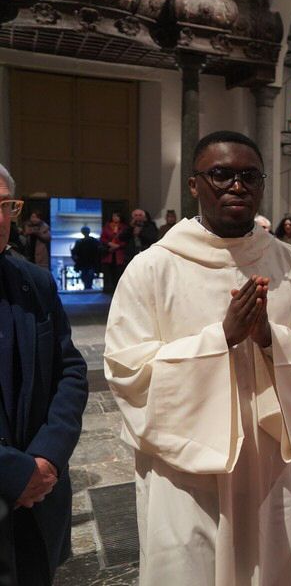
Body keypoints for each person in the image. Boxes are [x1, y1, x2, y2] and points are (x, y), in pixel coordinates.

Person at [103, 131, 291, 585]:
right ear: (194, 185)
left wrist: (272, 339)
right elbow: (126, 370)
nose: (237, 186)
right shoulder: (154, 267)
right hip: (186, 469)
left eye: (249, 176)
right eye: (221, 174)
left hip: (270, 462)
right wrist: (221, 339)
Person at [0, 163, 89, 586]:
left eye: (5, 205)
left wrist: (48, 456)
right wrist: (12, 471)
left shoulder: (32, 281)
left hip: (39, 500)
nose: (0, 220)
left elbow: (69, 369)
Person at [100, 212, 126, 294]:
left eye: (117, 216)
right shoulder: (107, 226)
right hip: (109, 252)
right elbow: (103, 238)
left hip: (119, 252)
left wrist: (118, 245)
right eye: (114, 216)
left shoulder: (124, 227)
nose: (115, 218)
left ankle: (119, 289)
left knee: (118, 271)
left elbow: (126, 239)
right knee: (108, 271)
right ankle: (109, 288)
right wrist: (109, 244)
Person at [70, 226, 102, 290]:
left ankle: (88, 287)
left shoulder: (80, 242)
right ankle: (88, 286)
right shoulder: (94, 241)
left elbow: (74, 252)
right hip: (87, 262)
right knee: (87, 275)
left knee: (86, 276)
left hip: (88, 262)